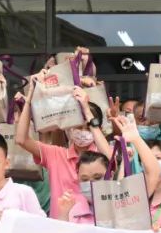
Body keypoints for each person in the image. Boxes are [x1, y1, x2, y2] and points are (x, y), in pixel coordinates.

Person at [15, 81, 112, 219]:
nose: (83, 132)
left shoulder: (103, 156)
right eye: (78, 126)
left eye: (87, 127)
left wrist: (86, 109)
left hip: (95, 229)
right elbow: (21, 139)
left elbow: (110, 158)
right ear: (69, 127)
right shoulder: (56, 154)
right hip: (60, 229)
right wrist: (29, 100)